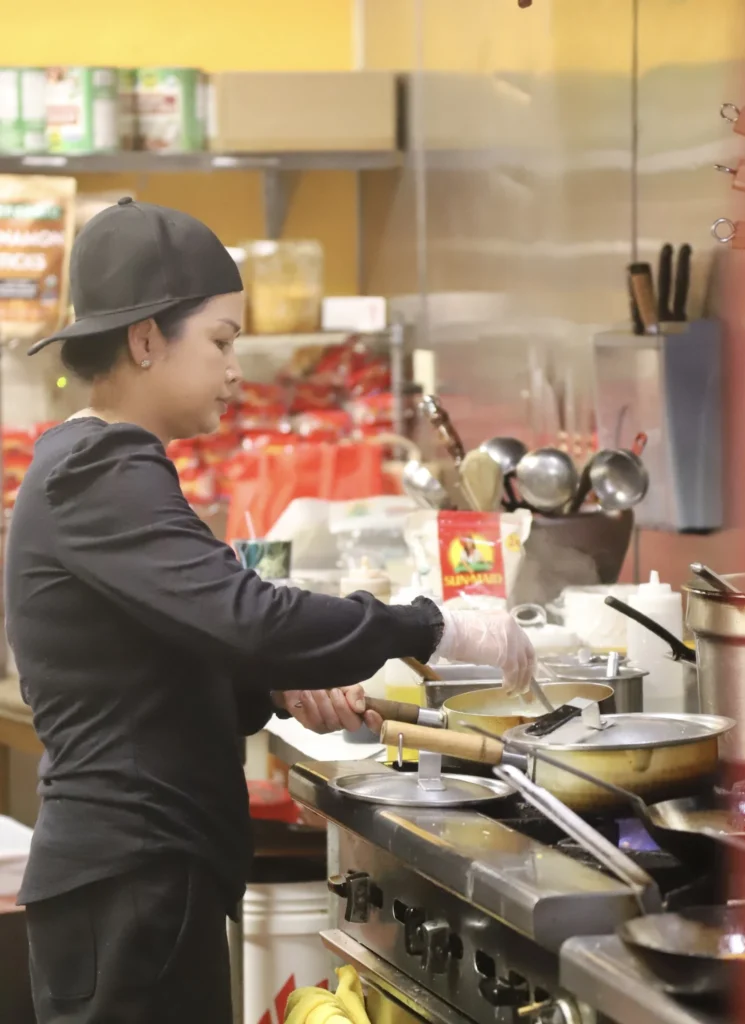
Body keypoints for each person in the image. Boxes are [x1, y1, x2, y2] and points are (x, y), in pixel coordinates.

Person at [5, 198, 536, 1024]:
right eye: (220, 341)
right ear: (145, 340)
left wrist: (272, 688)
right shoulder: (101, 469)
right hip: (131, 880)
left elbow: (166, 656)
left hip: (137, 878)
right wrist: (432, 624)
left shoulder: (97, 462)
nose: (234, 370)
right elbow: (248, 616)